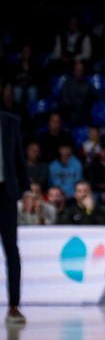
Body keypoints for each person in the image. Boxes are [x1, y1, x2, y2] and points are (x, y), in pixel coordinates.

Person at [2, 111, 31, 326]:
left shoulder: (11, 122)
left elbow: (19, 159)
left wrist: (27, 191)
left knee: (11, 249)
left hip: (6, 194)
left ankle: (14, 306)